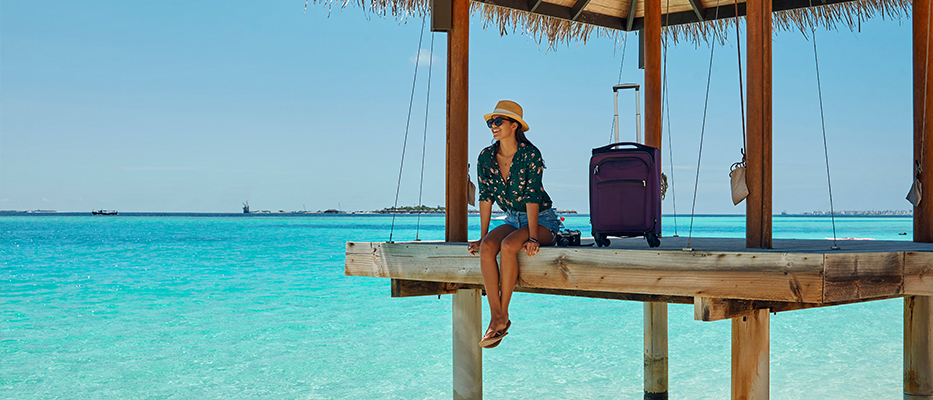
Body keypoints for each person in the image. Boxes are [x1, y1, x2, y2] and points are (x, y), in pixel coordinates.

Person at [467, 100, 563, 349]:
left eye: (499, 122)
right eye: (491, 122)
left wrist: (532, 237)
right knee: (488, 247)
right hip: (511, 218)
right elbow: (486, 197)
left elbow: (532, 197)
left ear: (514, 125)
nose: (493, 127)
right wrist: (483, 235)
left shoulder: (531, 155)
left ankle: (501, 315)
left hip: (542, 219)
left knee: (509, 246)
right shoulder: (485, 157)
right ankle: (497, 316)